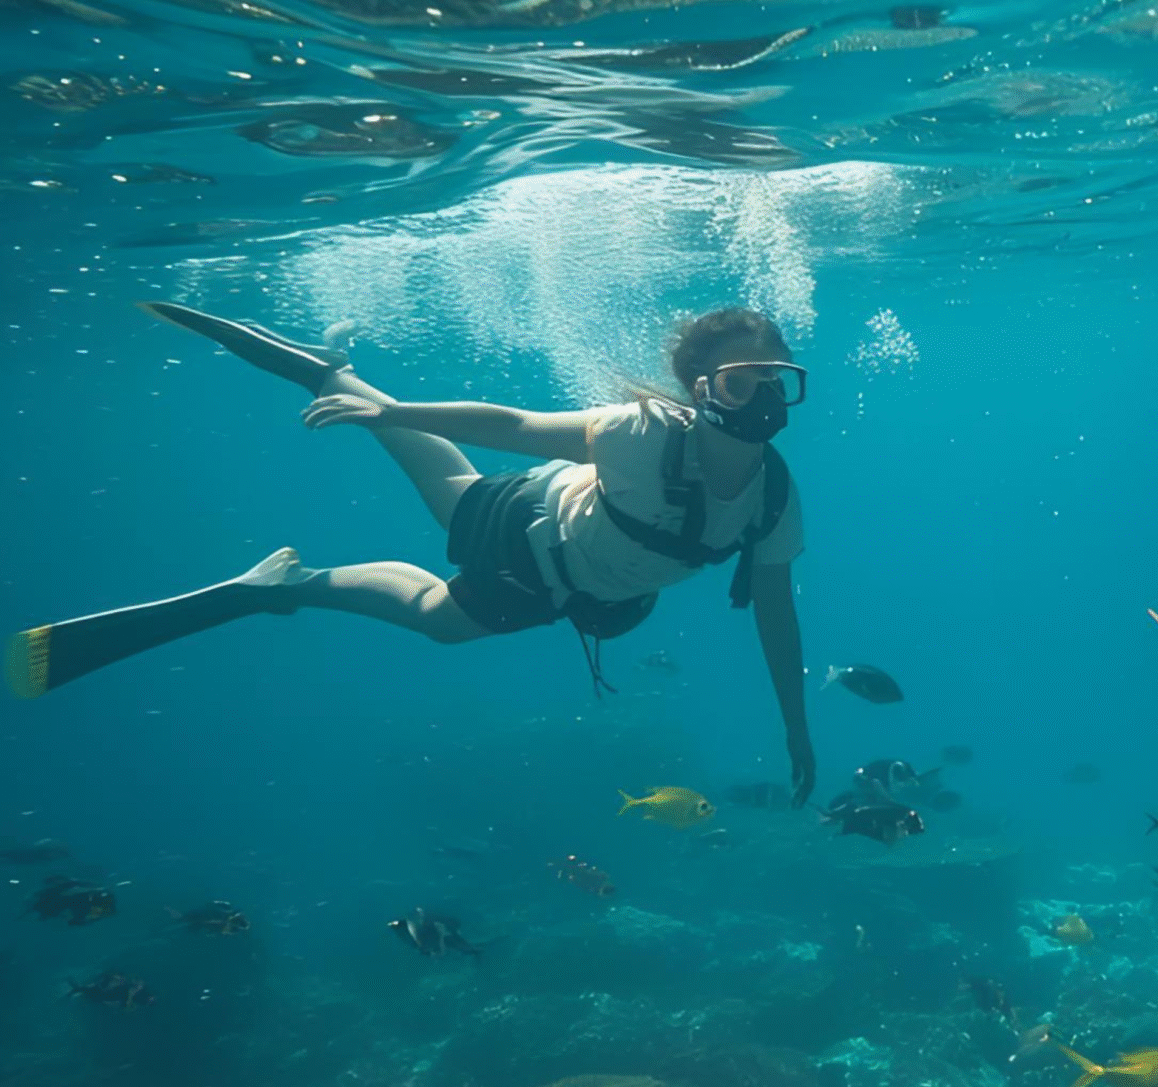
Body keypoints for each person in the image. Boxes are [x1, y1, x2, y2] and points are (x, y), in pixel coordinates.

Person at [6, 301, 818, 802]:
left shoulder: (774, 497)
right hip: (526, 526)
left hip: (591, 591)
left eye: (775, 378)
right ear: (700, 387)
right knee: (450, 540)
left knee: (448, 593)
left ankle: (338, 397)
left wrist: (797, 729)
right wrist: (390, 412)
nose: (764, 397)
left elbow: (776, 619)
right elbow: (513, 427)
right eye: (744, 381)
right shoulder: (642, 430)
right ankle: (296, 545)